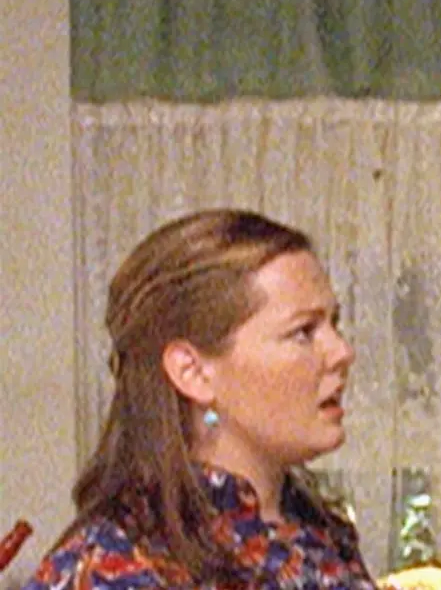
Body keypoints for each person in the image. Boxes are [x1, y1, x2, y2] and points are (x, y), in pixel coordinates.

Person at [21, 209, 373, 589]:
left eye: (334, 324)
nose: (342, 352)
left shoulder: (320, 535)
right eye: (303, 332)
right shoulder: (113, 568)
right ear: (192, 371)